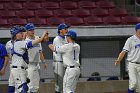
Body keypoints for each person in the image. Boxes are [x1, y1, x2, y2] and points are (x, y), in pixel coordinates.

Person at [8, 25, 47, 93]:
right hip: (18, 69)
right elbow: (37, 41)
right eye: (20, 33)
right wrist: (43, 35)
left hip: (18, 69)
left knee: (18, 89)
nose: (22, 34)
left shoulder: (18, 42)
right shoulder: (19, 43)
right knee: (22, 90)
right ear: (15, 35)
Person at [115, 23, 140, 93]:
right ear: (138, 30)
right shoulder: (131, 40)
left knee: (139, 87)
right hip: (132, 64)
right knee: (133, 83)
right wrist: (118, 60)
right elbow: (124, 51)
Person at [25, 23, 47, 93]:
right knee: (29, 86)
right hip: (29, 65)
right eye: (30, 30)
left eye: (33, 29)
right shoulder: (26, 41)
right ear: (27, 31)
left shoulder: (37, 38)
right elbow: (41, 39)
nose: (32, 31)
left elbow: (40, 51)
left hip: (37, 65)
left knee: (36, 87)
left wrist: (44, 62)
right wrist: (44, 34)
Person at [52, 23, 69, 93]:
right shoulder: (56, 39)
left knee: (64, 84)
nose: (67, 30)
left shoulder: (66, 38)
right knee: (59, 85)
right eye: (65, 29)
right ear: (60, 30)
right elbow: (63, 51)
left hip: (64, 63)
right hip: (58, 63)